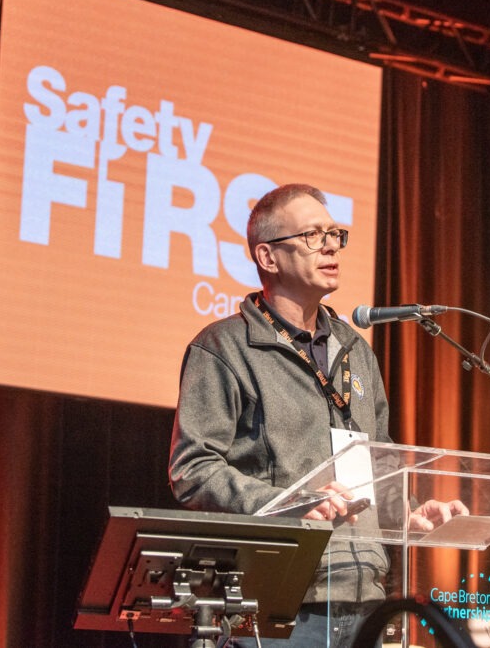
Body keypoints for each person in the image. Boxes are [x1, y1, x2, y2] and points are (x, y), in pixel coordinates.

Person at [169, 183, 465, 648]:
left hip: (363, 599)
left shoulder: (355, 350)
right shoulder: (224, 348)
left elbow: (378, 460)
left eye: (334, 234)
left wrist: (403, 515)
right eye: (312, 235)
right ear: (268, 257)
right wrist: (291, 503)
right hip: (276, 602)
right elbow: (193, 470)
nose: (330, 246)